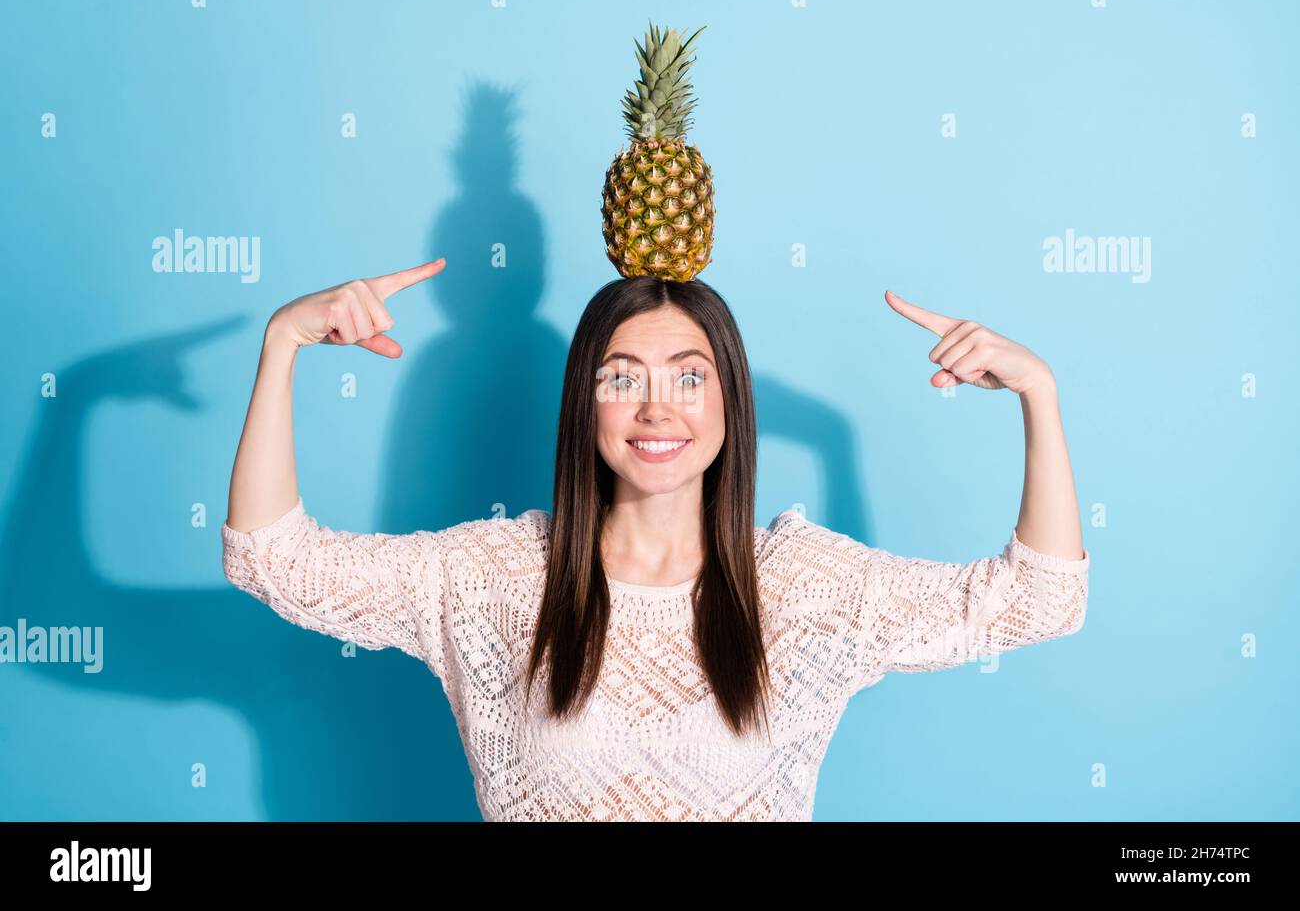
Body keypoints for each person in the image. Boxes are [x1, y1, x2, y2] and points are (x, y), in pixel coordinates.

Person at [221, 258, 1090, 821]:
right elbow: (271, 557)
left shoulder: (803, 585)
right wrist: (282, 343)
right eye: (621, 377)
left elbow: (1041, 599)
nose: (656, 407)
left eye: (688, 377)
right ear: (584, 404)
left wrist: (1037, 394)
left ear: (727, 404)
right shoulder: (489, 576)